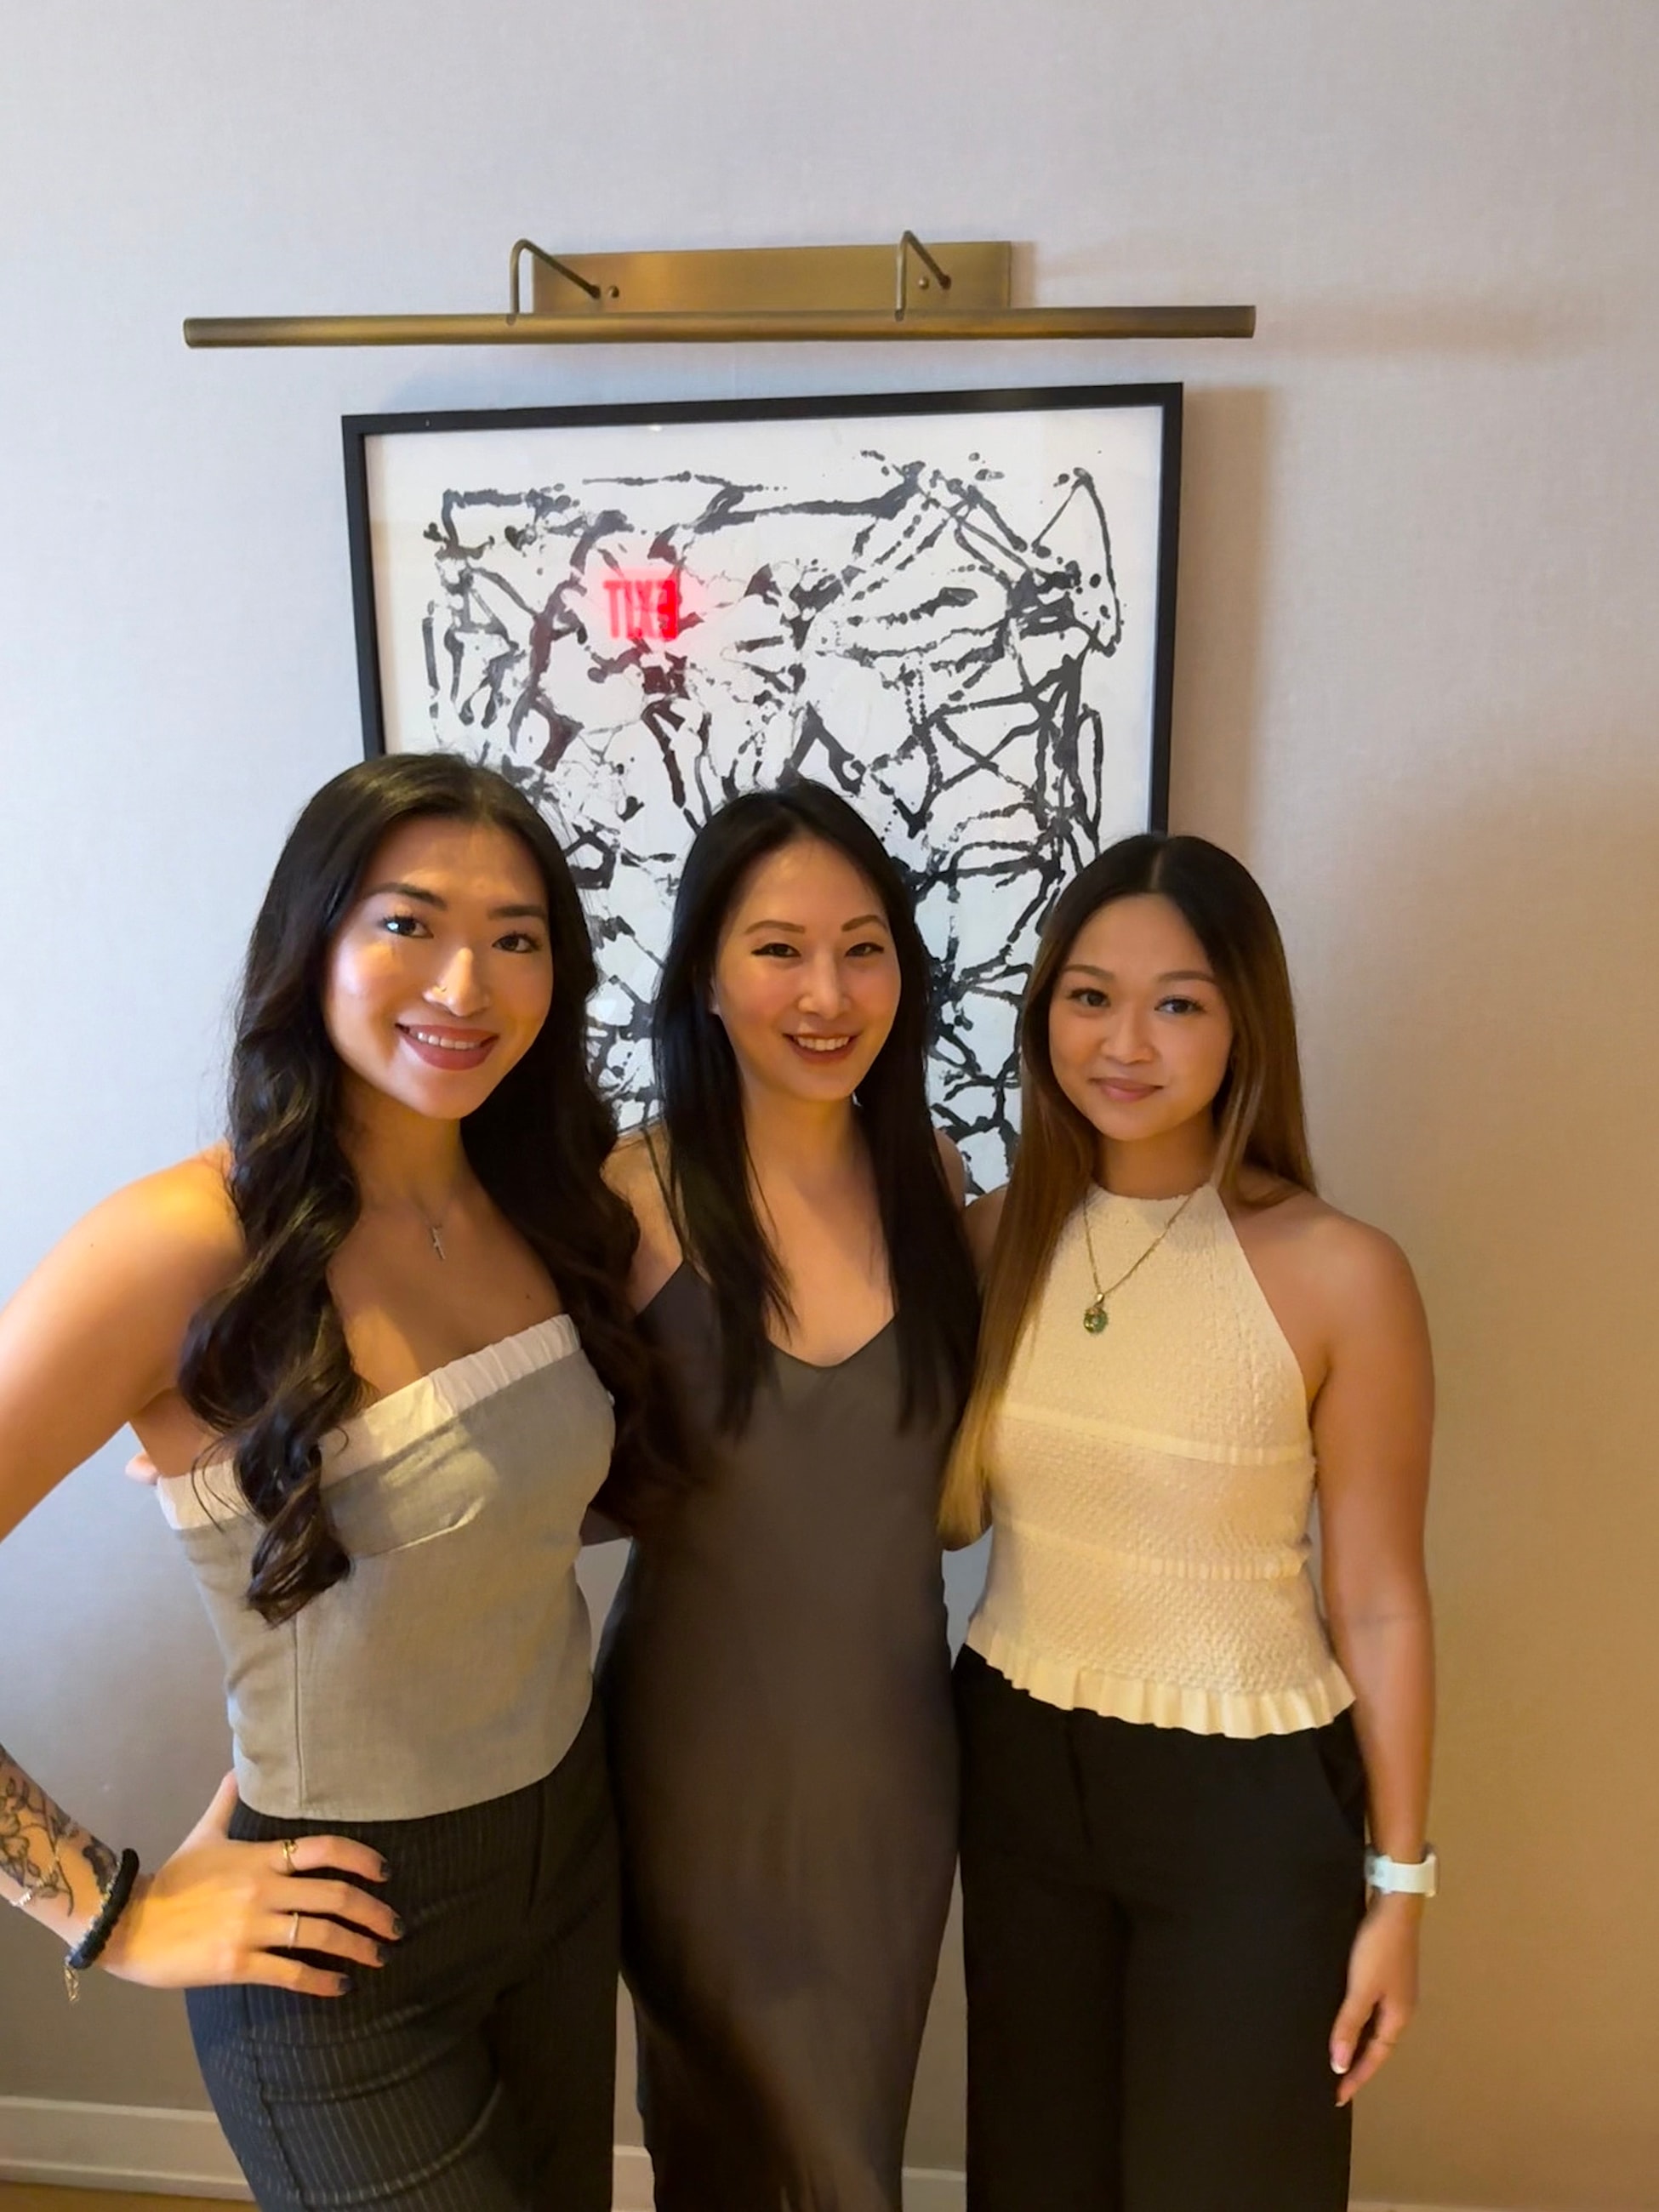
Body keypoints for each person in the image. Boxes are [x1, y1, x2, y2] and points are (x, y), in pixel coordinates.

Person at [0, 754, 681, 2211]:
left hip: (569, 1867)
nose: (466, 985)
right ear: (310, 939)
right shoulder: (184, 1245)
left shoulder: (549, 1196)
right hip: (338, 1953)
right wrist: (107, 1909)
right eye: (408, 925)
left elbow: (523, 1511)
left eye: (516, 939)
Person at [944, 832, 1435, 2212]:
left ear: (1243, 1022)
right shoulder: (993, 1239)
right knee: (1035, 2177)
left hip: (1250, 1797)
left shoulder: (1343, 1274)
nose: (1124, 1042)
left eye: (1178, 1003)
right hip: (1017, 1756)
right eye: (1088, 995)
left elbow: (1382, 1598)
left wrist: (1399, 1887)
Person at [598, 778, 980, 2212]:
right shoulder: (630, 1195)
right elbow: (495, 1438)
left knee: (852, 2149)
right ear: (705, 972)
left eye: (862, 946)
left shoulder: (931, 1179)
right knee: (731, 2144)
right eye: (777, 949)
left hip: (892, 1766)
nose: (826, 992)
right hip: (694, 1767)